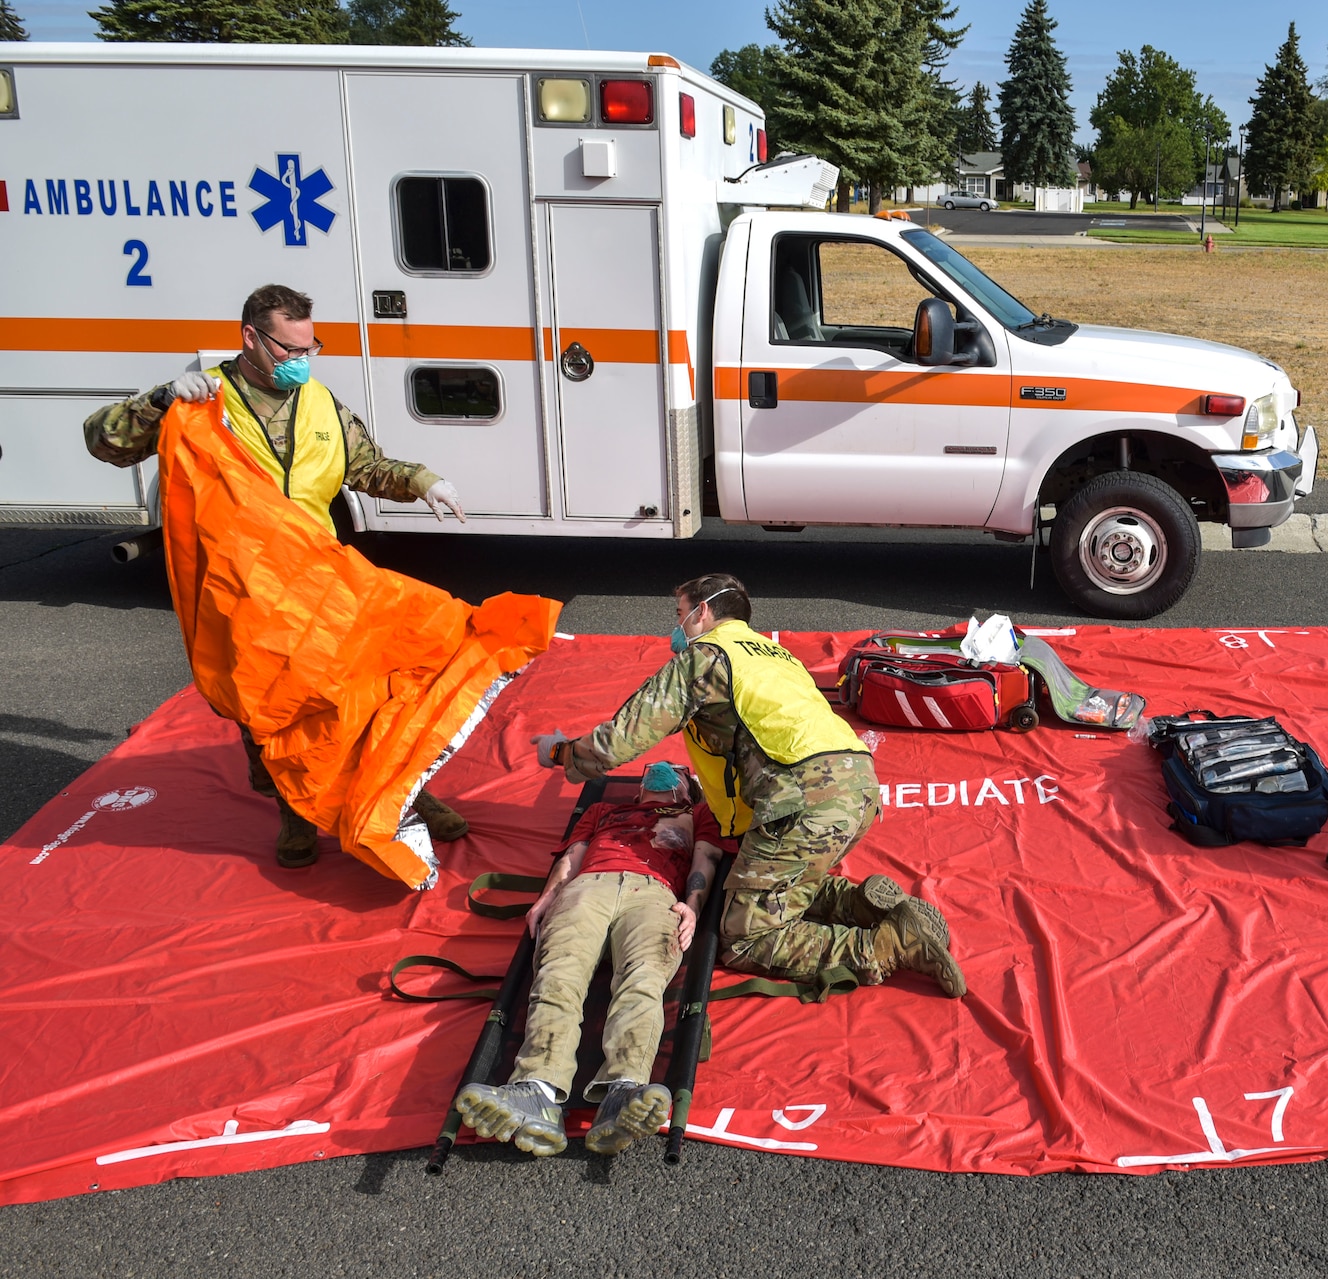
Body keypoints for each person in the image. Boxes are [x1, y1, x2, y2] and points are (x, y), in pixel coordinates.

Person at [83, 283, 473, 869]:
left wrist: (422, 481)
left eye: (309, 348)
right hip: (244, 589)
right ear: (250, 338)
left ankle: (409, 793)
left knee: (365, 694)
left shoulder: (321, 404)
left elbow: (365, 465)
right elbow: (104, 441)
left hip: (318, 576)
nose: (301, 361)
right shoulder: (205, 401)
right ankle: (296, 811)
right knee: (271, 711)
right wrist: (162, 399)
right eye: (290, 349)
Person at [534, 573, 965, 999]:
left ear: (702, 612)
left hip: (802, 799)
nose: (676, 627)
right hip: (857, 787)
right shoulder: (777, 656)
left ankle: (887, 946)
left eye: (680, 614)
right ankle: (869, 906)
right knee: (775, 875)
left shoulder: (705, 659)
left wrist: (561, 753)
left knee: (744, 938)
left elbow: (619, 741)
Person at [456, 762, 720, 1157]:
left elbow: (707, 859)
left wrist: (693, 905)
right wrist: (546, 899)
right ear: (638, 789)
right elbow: (572, 856)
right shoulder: (603, 813)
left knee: (643, 980)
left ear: (687, 788)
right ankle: (537, 1090)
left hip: (656, 892)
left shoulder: (695, 814)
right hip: (586, 889)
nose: (659, 772)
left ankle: (623, 1090)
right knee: (557, 977)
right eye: (653, 769)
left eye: (673, 771)